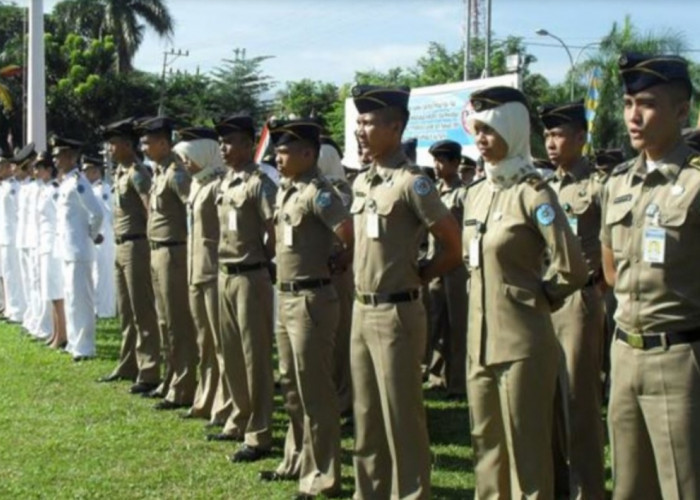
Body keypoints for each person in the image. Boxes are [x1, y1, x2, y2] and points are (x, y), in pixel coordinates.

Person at [461, 86, 587, 499]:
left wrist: (536, 298)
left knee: (527, 456)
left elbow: (571, 267)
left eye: (489, 130)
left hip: (522, 344)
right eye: (476, 130)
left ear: (513, 131)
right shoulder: (476, 194)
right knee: (487, 449)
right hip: (478, 345)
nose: (480, 139)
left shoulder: (534, 192)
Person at [350, 84, 462, 499]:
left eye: (369, 122)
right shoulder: (363, 183)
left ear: (395, 127)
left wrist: (423, 274)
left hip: (397, 313)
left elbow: (452, 245)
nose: (361, 130)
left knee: (402, 416)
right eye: (359, 121)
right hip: (362, 311)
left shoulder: (412, 184)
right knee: (367, 414)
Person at [601, 53, 700, 499]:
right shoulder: (617, 183)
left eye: (646, 103)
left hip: (679, 358)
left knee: (682, 484)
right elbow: (610, 269)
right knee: (628, 485)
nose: (633, 116)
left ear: (682, 111)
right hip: (624, 354)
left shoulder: (696, 184)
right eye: (627, 103)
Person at [258, 117, 353, 500]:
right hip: (287, 296)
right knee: (292, 388)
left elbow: (347, 233)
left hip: (312, 300)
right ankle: (296, 459)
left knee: (316, 392)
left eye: (284, 151)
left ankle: (323, 475)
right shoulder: (287, 191)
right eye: (276, 150)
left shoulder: (320, 193)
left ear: (308, 154)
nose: (277, 158)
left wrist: (337, 260)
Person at [539, 101, 606, 499]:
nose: (551, 142)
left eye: (559, 133)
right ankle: (557, 485)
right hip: (546, 300)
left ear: (581, 138)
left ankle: (587, 489)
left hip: (580, 301)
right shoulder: (543, 186)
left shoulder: (598, 186)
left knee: (579, 402)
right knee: (547, 398)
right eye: (547, 134)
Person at [209, 112, 276, 460]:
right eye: (221, 141)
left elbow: (275, 229)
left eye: (231, 140)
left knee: (256, 357)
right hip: (225, 274)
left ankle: (260, 432)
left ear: (250, 144)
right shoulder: (225, 181)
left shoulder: (258, 182)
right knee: (232, 353)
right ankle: (238, 418)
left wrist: (264, 260)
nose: (224, 147)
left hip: (251, 276)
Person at [98, 117, 161, 394]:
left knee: (142, 309)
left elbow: (151, 211)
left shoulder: (137, 173)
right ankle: (127, 363)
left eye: (113, 144)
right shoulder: (121, 173)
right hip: (121, 245)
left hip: (137, 245)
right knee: (125, 309)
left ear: (126, 145)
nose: (109, 149)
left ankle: (148, 370)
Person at [137, 116, 197, 409]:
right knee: (163, 320)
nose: (144, 147)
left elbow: (193, 209)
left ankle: (184, 386)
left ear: (164, 142)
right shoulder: (159, 172)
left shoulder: (177, 173)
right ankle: (171, 378)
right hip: (157, 251)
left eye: (148, 142)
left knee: (178, 322)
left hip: (174, 253)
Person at [172, 126, 229, 425]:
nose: (184, 164)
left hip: (214, 271)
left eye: (188, 157)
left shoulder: (218, 185)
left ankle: (225, 404)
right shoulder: (197, 184)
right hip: (197, 269)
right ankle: (205, 398)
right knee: (204, 341)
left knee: (221, 343)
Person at [53, 135, 104, 362]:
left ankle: (85, 347)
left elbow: (97, 213)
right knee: (72, 298)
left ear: (71, 157)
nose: (55, 160)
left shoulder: (79, 183)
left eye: (59, 155)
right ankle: (74, 342)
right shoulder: (66, 183)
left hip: (79, 249)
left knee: (82, 299)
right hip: (68, 249)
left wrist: (92, 235)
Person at [424, 139, 468, 399]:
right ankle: (436, 374)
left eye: (442, 160)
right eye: (435, 160)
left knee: (458, 324)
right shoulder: (435, 191)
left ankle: (458, 381)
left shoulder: (463, 194)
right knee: (436, 320)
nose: (437, 166)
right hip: (435, 261)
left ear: (455, 162)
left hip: (457, 265)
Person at [34, 151, 67, 349]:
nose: (36, 171)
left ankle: (62, 334)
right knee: (51, 291)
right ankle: (56, 332)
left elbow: (59, 218)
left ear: (48, 170)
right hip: (45, 244)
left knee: (57, 291)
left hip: (53, 245)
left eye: (40, 168)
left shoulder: (54, 190)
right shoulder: (45, 189)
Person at [83, 155, 116, 318]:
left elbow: (106, 214)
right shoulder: (92, 189)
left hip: (103, 235)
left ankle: (105, 310)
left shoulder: (102, 189)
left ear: (95, 172)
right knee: (96, 271)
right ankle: (98, 308)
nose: (84, 175)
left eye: (87, 171)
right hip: (96, 235)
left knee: (103, 273)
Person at [14, 144, 40, 336]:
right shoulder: (24, 188)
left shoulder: (37, 188)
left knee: (36, 283)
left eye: (21, 168)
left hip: (36, 241)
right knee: (27, 282)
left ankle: (40, 321)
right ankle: (32, 318)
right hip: (24, 239)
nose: (17, 171)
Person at [0, 150, 25, 323]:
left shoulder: (13, 188)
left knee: (13, 274)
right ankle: (8, 307)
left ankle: (16, 310)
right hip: (4, 236)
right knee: (6, 274)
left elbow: (19, 213)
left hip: (12, 236)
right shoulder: (3, 187)